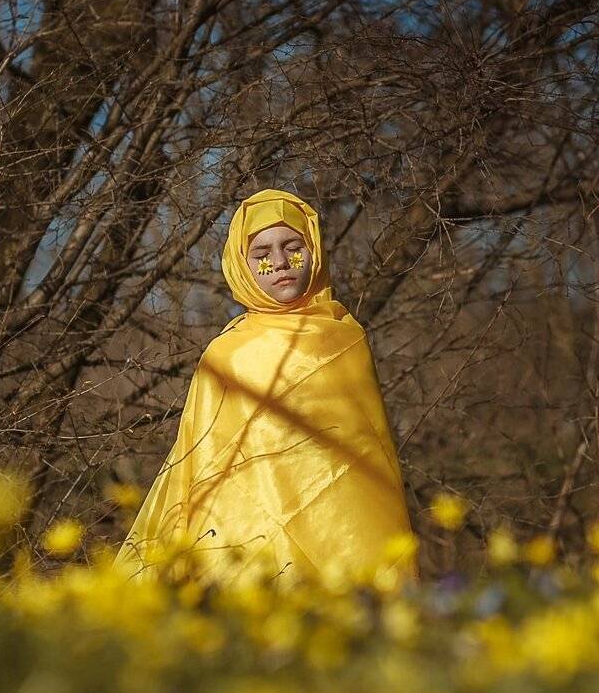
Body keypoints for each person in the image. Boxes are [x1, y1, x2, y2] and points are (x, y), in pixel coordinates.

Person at [113, 187, 418, 589]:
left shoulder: (346, 340)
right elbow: (201, 468)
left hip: (346, 539)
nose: (280, 262)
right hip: (249, 548)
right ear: (243, 267)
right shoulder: (227, 355)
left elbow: (370, 460)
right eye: (261, 254)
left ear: (314, 250)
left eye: (292, 246)